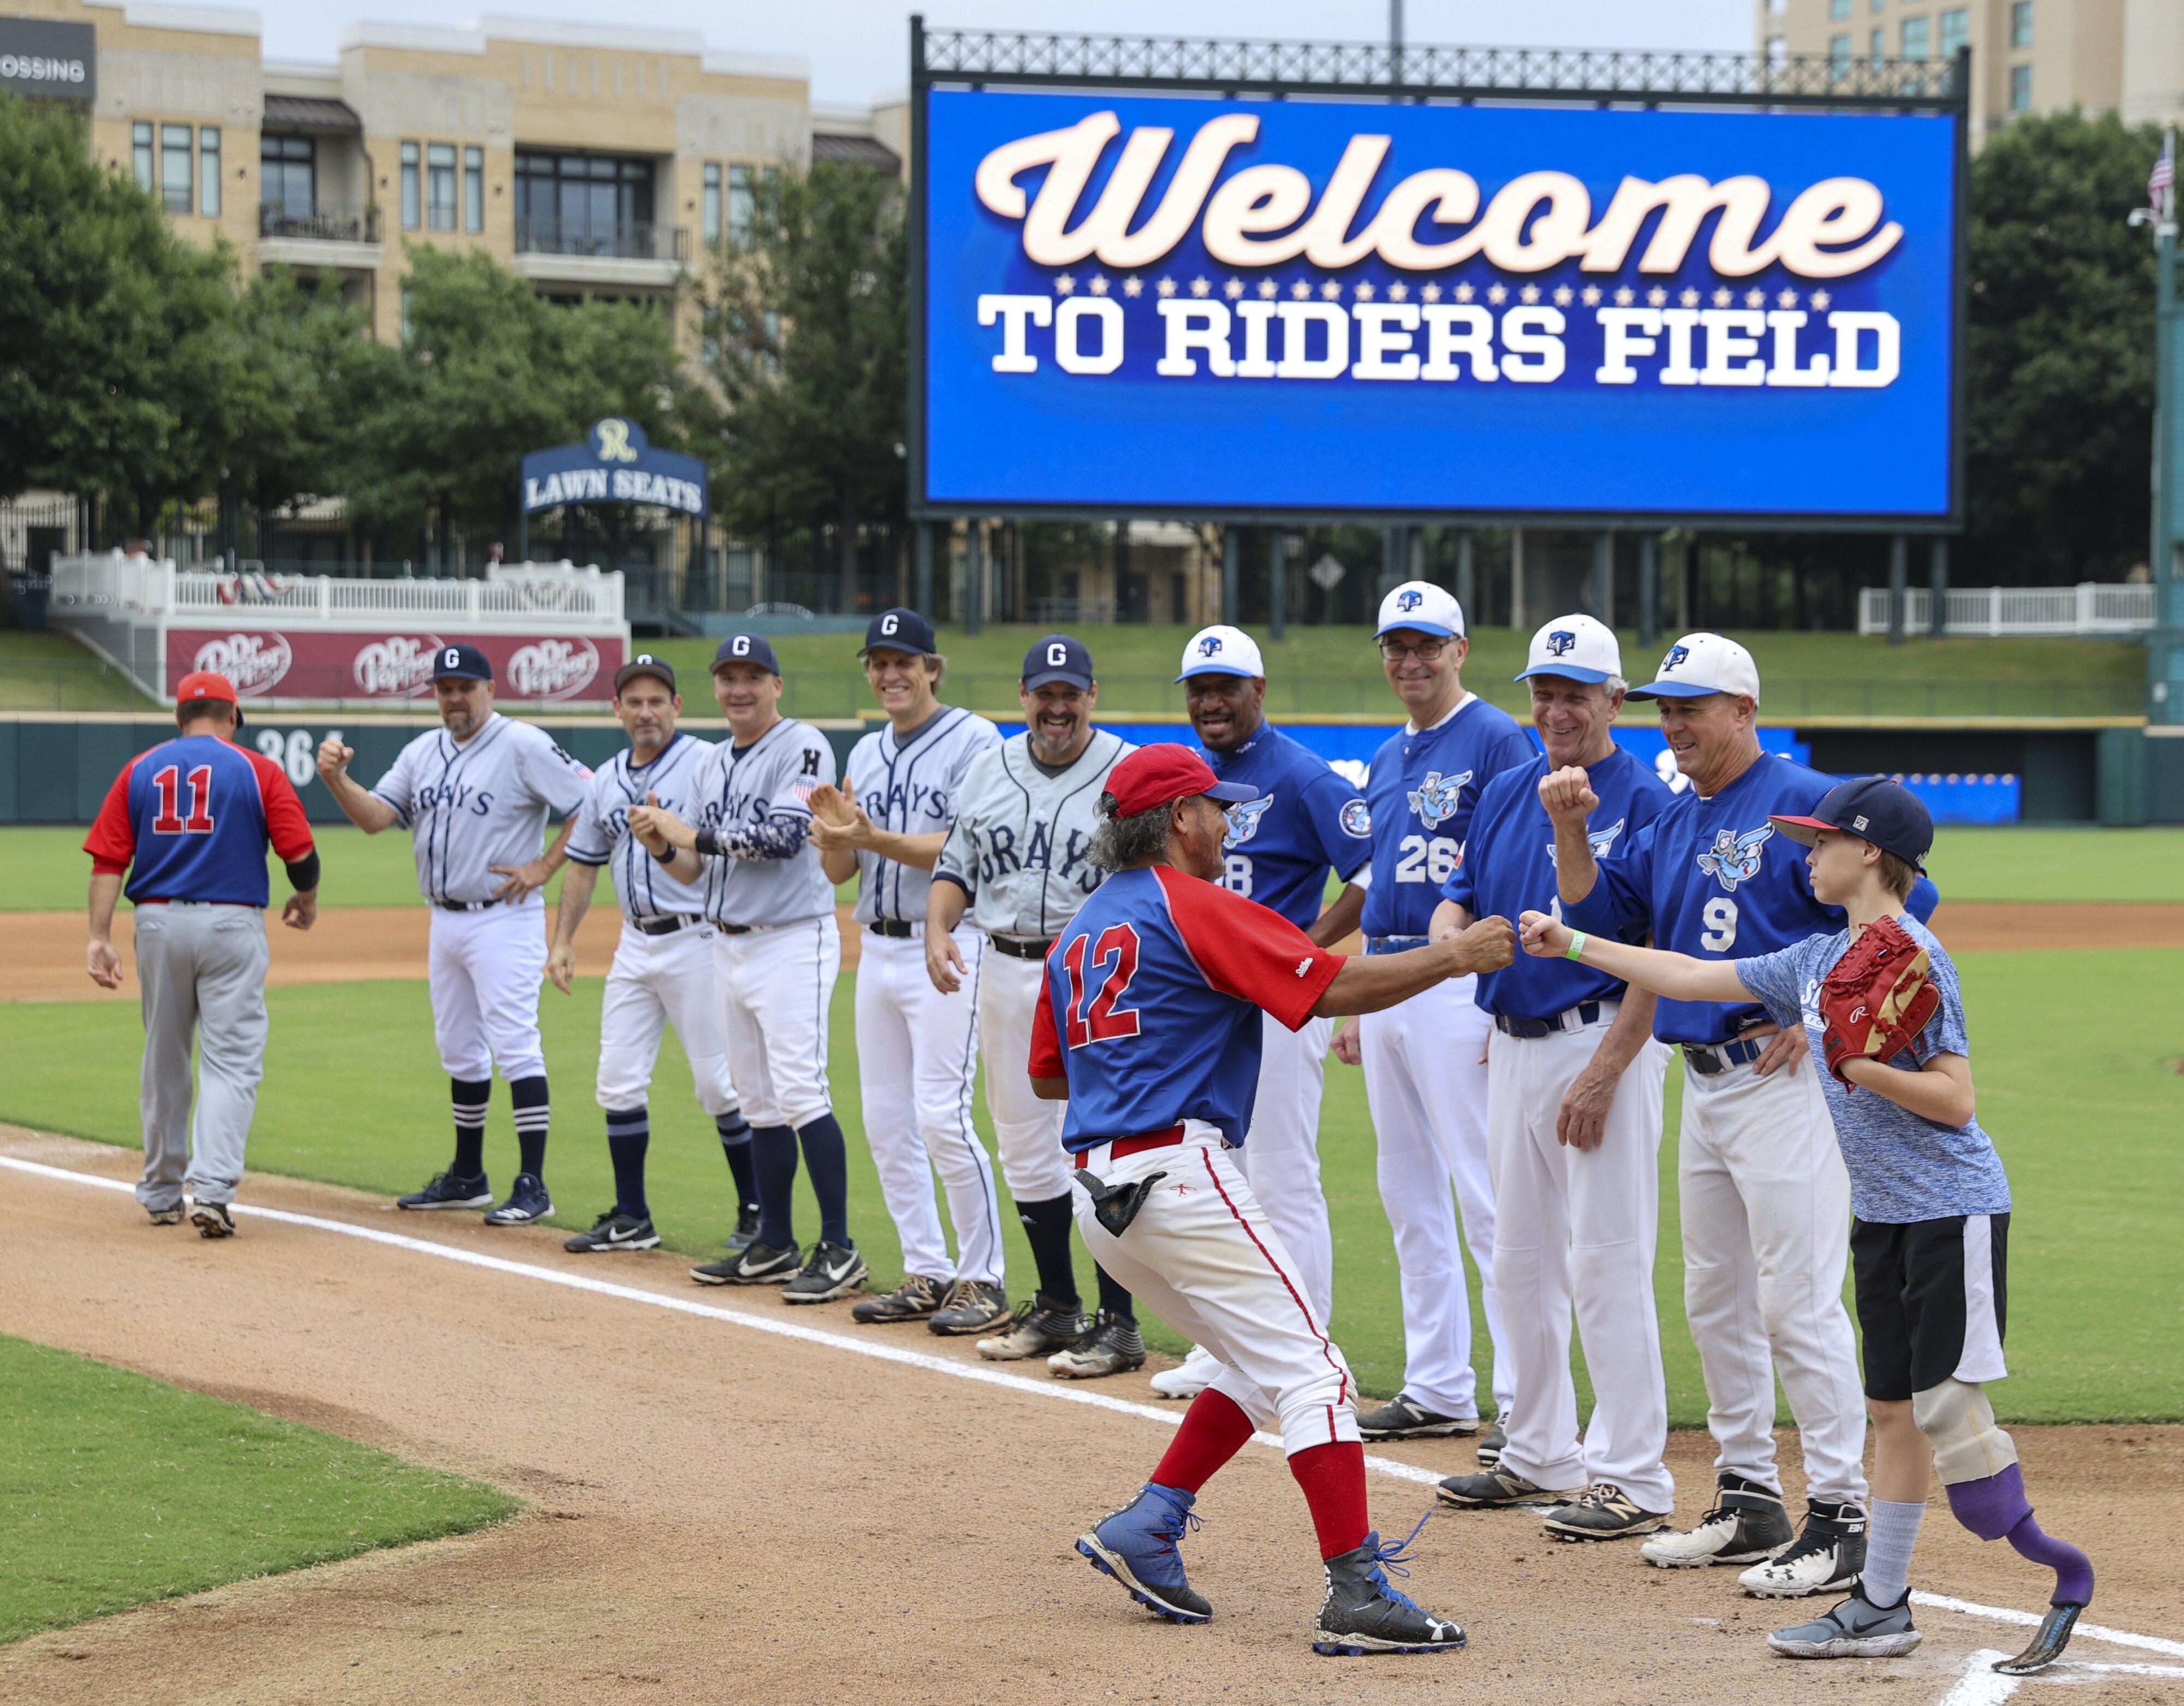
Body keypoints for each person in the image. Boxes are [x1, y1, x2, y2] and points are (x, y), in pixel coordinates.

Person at [1518, 776, 2093, 1677]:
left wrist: (1861, 1066)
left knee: (1945, 1409)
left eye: (1821, 843)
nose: (1805, 854)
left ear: (1869, 854)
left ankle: (2049, 1557)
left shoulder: (1914, 957)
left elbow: (1956, 1099)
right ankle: (1883, 1604)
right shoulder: (1819, 959)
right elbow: (1691, 974)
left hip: (1955, 1210)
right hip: (1885, 1214)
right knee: (1894, 1410)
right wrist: (1576, 942)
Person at [1038, 744, 1515, 1652]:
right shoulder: (1198, 906)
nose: (1227, 823)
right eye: (1215, 809)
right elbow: (1331, 987)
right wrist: (1455, 957)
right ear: (1178, 820)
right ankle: (1358, 1593)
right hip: (1180, 1172)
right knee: (1317, 1375)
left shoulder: (1083, 928)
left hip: (1101, 1195)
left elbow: (1054, 1074)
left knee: (1256, 1362)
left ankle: (1150, 1523)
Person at [1547, 632, 1939, 1597]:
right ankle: (1749, 1494)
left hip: (1788, 1088)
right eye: (1664, 707)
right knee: (1714, 1297)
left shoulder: (1814, 802)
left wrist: (1826, 1011)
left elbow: (1908, 901)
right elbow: (1601, 908)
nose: (1673, 722)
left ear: (1744, 711)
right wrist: (1569, 829)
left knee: (1794, 1300)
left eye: (1692, 705)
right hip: (1704, 1080)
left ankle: (1844, 1513)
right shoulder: (1674, 820)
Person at [1427, 616, 1679, 1539]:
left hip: (1600, 1038)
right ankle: (1537, 1449)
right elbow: (1461, 890)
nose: (1557, 708)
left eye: (1577, 692)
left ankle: (1633, 1474)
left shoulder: (1647, 801)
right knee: (1521, 1259)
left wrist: (1611, 1070)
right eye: (1544, 690)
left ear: (1616, 700)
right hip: (1514, 1041)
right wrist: (1448, 934)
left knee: (1608, 1260)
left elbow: (1659, 956)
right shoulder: (1505, 787)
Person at [1333, 581, 1535, 1447]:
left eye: (1425, 645)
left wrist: (1500, 995)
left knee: (1484, 1192)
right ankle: (1438, 1382)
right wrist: (1357, 987)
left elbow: (1519, 858)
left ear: (1460, 649)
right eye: (1395, 646)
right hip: (1391, 973)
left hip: (1459, 979)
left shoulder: (1495, 737)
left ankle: (1525, 1396)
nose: (1409, 660)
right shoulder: (1385, 756)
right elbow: (1378, 876)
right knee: (1408, 1190)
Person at [1149, 623, 1370, 1402]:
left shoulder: (1303, 776)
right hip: (1203, 1008)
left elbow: (1370, 873)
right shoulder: (1192, 774)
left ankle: (1308, 1351)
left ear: (1259, 691)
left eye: (1225, 688)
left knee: (1281, 1176)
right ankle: (1230, 1349)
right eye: (1199, 690)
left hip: (1275, 1003)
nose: (1211, 702)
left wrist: (1304, 948)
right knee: (1219, 1179)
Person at [626, 632, 864, 1303]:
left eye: (753, 676)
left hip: (792, 937)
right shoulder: (711, 763)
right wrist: (662, 846)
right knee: (757, 1100)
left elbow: (787, 837)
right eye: (729, 677)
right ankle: (775, 1242)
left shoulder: (803, 743)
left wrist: (686, 833)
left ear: (776, 686)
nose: (739, 688)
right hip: (726, 940)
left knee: (800, 1091)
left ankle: (840, 1246)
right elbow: (696, 865)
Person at [927, 634, 1141, 1377]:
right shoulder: (989, 767)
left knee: (1102, 1142)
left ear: (1090, 696)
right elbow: (957, 862)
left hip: (1091, 975)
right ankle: (1056, 1305)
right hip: (1005, 965)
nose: (1057, 707)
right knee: (1020, 1138)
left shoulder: (1124, 770)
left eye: (1070, 693)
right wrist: (935, 927)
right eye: (1044, 693)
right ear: (1024, 697)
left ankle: (1120, 1321)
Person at [317, 644, 590, 1226]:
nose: (454, 697)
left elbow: (586, 806)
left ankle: (533, 1183)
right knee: (459, 1048)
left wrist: (544, 866)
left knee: (515, 1044)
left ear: (490, 688)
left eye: (465, 685)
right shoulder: (422, 751)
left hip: (504, 917)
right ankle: (468, 1176)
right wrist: (336, 779)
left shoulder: (523, 743)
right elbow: (374, 818)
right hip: (445, 919)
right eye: (445, 687)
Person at [809, 608, 1010, 1336]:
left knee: (941, 1115)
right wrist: (832, 834)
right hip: (879, 945)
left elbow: (967, 847)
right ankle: (925, 1268)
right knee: (887, 1122)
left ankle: (983, 1276)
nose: (890, 673)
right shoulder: (865, 749)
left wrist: (871, 834)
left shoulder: (974, 739)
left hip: (950, 944)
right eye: (878, 662)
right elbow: (841, 869)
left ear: (932, 668)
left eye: (904, 661)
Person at [85, 670, 319, 1237]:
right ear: (233, 716)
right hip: (230, 923)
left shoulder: (140, 768)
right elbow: (301, 854)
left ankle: (162, 1191)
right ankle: (212, 1190)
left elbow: (108, 861)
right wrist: (306, 898)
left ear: (178, 718)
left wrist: (98, 936)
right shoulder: (256, 768)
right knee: (231, 1061)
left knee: (165, 1057)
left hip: (157, 921)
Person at [547, 653, 756, 1255]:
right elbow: (583, 867)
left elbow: (720, 850)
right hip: (634, 943)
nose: (645, 711)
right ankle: (633, 1216)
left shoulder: (705, 765)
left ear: (676, 706)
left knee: (718, 1084)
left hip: (696, 938)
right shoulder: (607, 777)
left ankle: (755, 1209)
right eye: (633, 701)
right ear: (616, 709)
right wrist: (562, 940)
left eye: (656, 700)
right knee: (616, 1080)